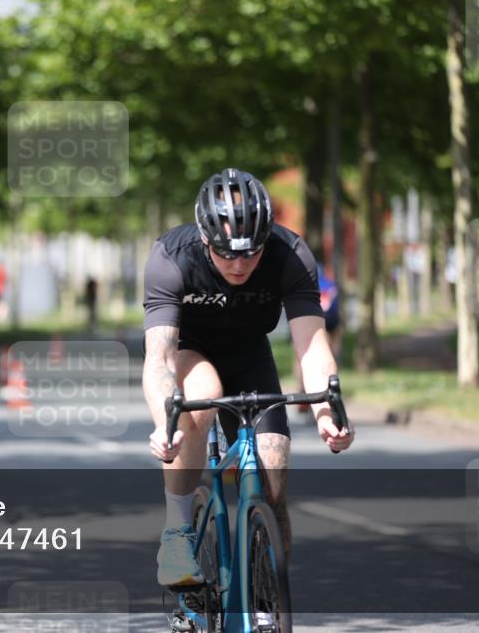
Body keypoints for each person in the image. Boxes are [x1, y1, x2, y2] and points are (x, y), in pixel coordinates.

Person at [142, 168, 354, 587]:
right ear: (205, 239)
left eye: (251, 253)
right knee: (204, 392)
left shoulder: (289, 254)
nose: (240, 264)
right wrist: (163, 424)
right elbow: (159, 358)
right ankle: (178, 533)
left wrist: (326, 412)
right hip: (191, 349)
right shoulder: (172, 256)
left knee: (273, 476)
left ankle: (266, 602)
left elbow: (311, 346)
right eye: (227, 253)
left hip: (250, 354)